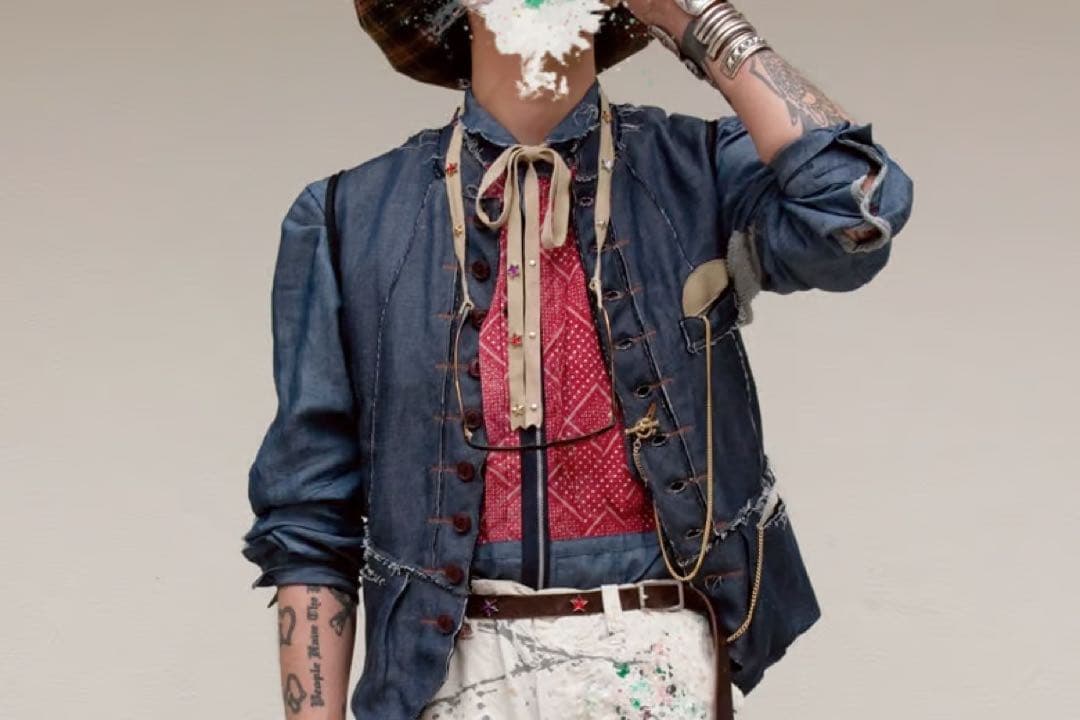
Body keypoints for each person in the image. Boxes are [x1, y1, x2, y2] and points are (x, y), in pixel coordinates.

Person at [240, 1, 915, 718]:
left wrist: (694, 19)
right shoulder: (347, 216)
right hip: (447, 682)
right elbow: (310, 518)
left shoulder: (698, 171)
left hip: (659, 667)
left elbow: (853, 211)